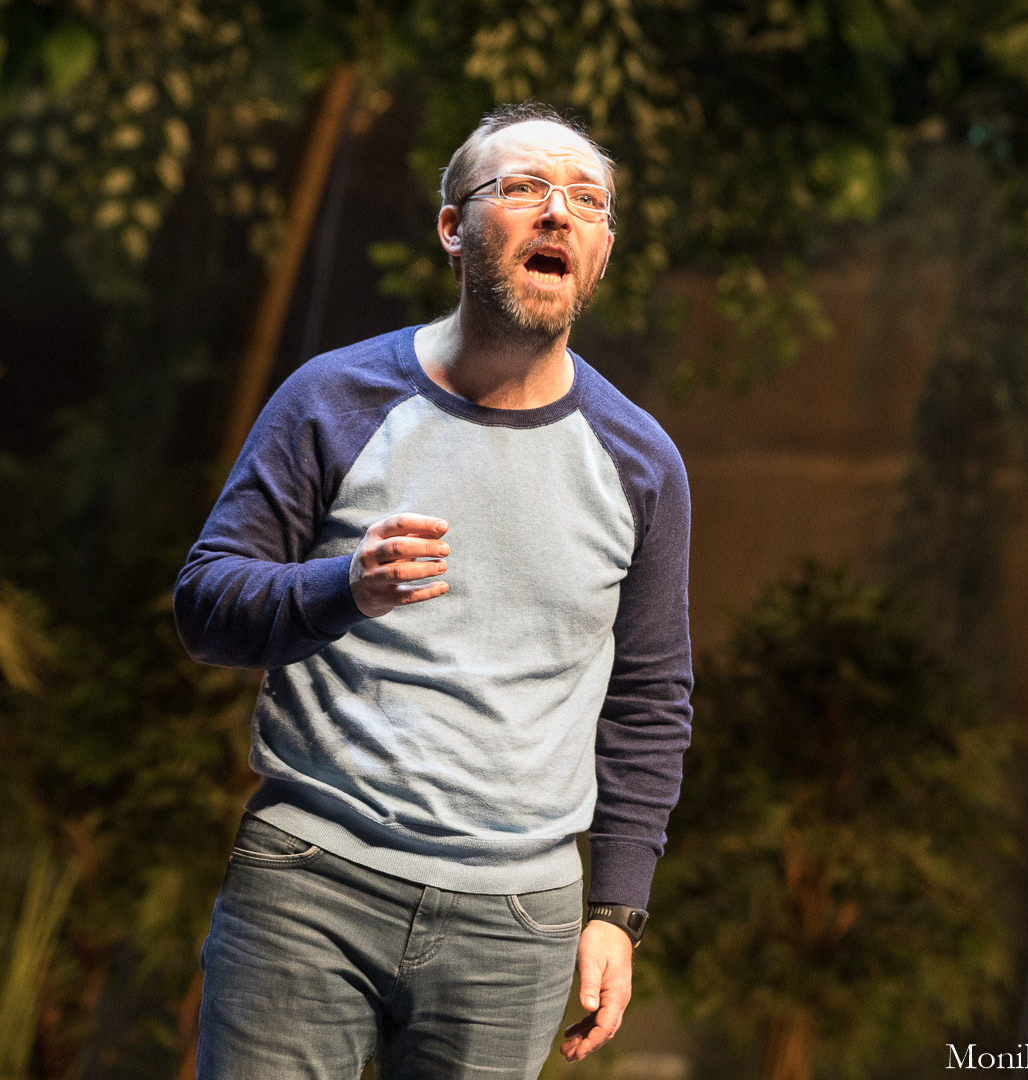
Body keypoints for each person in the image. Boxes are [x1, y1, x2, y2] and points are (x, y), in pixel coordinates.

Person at [172, 102, 693, 1079]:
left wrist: (617, 907)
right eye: (524, 187)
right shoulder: (334, 399)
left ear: (602, 251)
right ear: (454, 227)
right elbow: (205, 608)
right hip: (310, 885)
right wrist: (343, 587)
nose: (559, 212)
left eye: (588, 200)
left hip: (517, 925)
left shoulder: (640, 462)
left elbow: (650, 697)